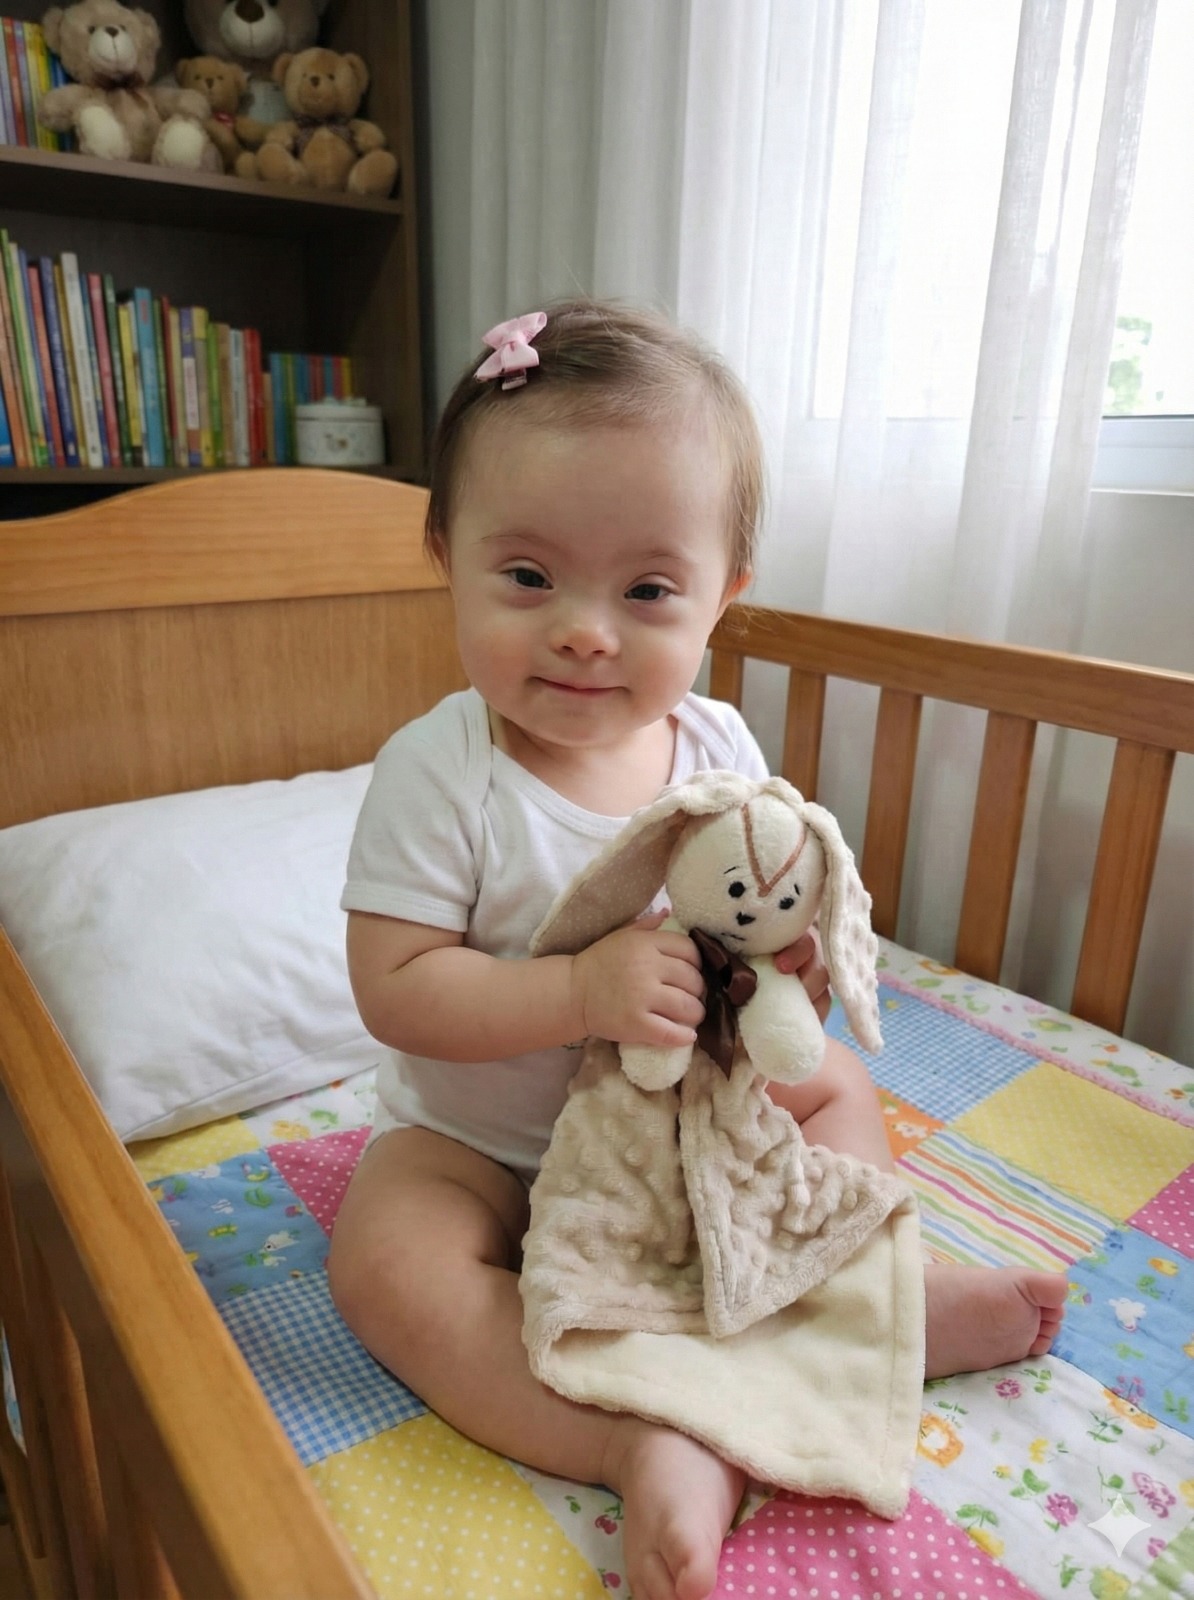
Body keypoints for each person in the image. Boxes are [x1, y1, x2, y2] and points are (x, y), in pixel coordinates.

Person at [328, 300, 1067, 1600]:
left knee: (833, 1087)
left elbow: (756, 917)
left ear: (724, 595)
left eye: (647, 590)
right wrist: (578, 991)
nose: (586, 629)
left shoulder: (719, 749)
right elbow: (394, 990)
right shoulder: (439, 773)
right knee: (385, 1266)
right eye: (527, 577)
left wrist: (789, 978)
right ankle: (632, 1436)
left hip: (688, 1139)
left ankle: (869, 1292)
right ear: (444, 553)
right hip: (482, 1148)